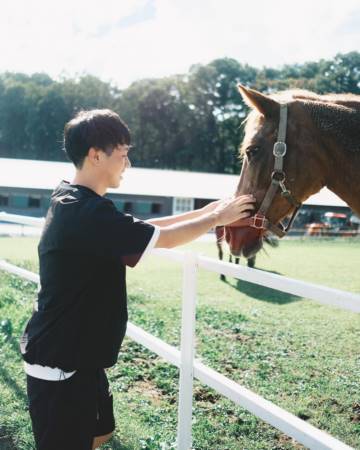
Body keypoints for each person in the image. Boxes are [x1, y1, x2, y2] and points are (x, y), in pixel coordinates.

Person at [19, 109, 255, 450]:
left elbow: (147, 230)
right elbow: (162, 239)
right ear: (96, 155)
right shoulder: (85, 212)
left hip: (81, 358)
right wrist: (217, 218)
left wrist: (210, 211)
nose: (127, 164)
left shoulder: (76, 201)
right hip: (60, 365)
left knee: (99, 434)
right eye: (123, 155)